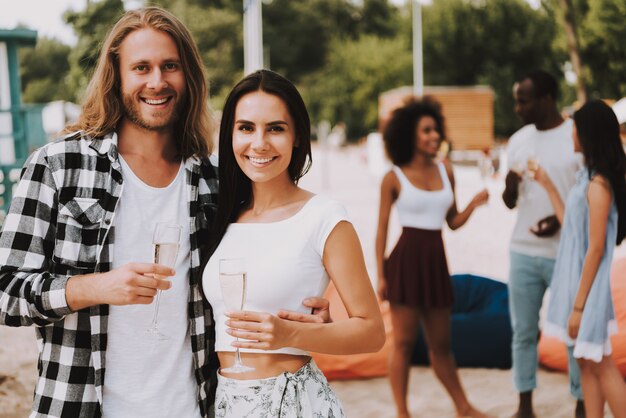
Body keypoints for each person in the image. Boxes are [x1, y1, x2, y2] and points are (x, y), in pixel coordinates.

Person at [0, 8, 329, 417]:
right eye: (141, 67)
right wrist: (94, 287)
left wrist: (301, 306)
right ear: (116, 76)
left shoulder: (215, 179)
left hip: (192, 408)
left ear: (187, 76)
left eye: (169, 66)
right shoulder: (58, 165)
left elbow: (256, 257)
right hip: (78, 406)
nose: (157, 81)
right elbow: (5, 292)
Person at [201, 69, 385, 417]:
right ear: (230, 136)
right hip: (227, 403)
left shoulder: (324, 217)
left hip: (295, 403)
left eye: (275, 128)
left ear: (297, 135)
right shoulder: (222, 216)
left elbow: (372, 332)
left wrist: (290, 334)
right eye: (246, 128)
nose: (259, 143)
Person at [375, 97, 490, 418]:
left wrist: (474, 203)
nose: (434, 135)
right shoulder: (393, 177)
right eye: (426, 130)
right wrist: (381, 275)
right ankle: (402, 412)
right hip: (405, 263)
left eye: (436, 129)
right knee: (403, 344)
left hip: (436, 264)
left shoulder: (446, 171)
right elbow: (381, 230)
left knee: (442, 346)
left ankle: (464, 408)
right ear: (410, 135)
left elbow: (452, 222)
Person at [532, 100, 626, 418]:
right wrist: (547, 184)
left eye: (574, 127)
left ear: (587, 134)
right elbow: (571, 227)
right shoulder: (585, 178)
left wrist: (578, 306)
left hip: (589, 288)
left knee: (600, 362)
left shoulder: (599, 185)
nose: (570, 132)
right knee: (586, 362)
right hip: (577, 283)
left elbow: (596, 248)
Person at [502, 69, 584, 418]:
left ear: (546, 99)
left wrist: (557, 221)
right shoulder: (518, 140)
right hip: (522, 250)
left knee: (573, 332)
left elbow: (585, 198)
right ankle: (524, 405)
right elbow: (510, 202)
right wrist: (508, 184)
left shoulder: (575, 137)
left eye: (524, 101)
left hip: (566, 253)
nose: (518, 108)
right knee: (522, 332)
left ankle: (582, 401)